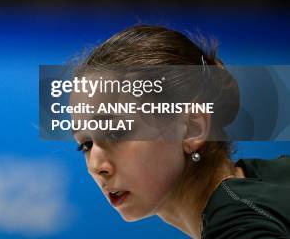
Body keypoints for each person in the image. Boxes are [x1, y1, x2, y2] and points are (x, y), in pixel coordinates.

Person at [72, 25, 290, 238]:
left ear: (193, 128)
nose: (96, 166)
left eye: (116, 133)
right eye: (86, 145)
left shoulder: (240, 225)